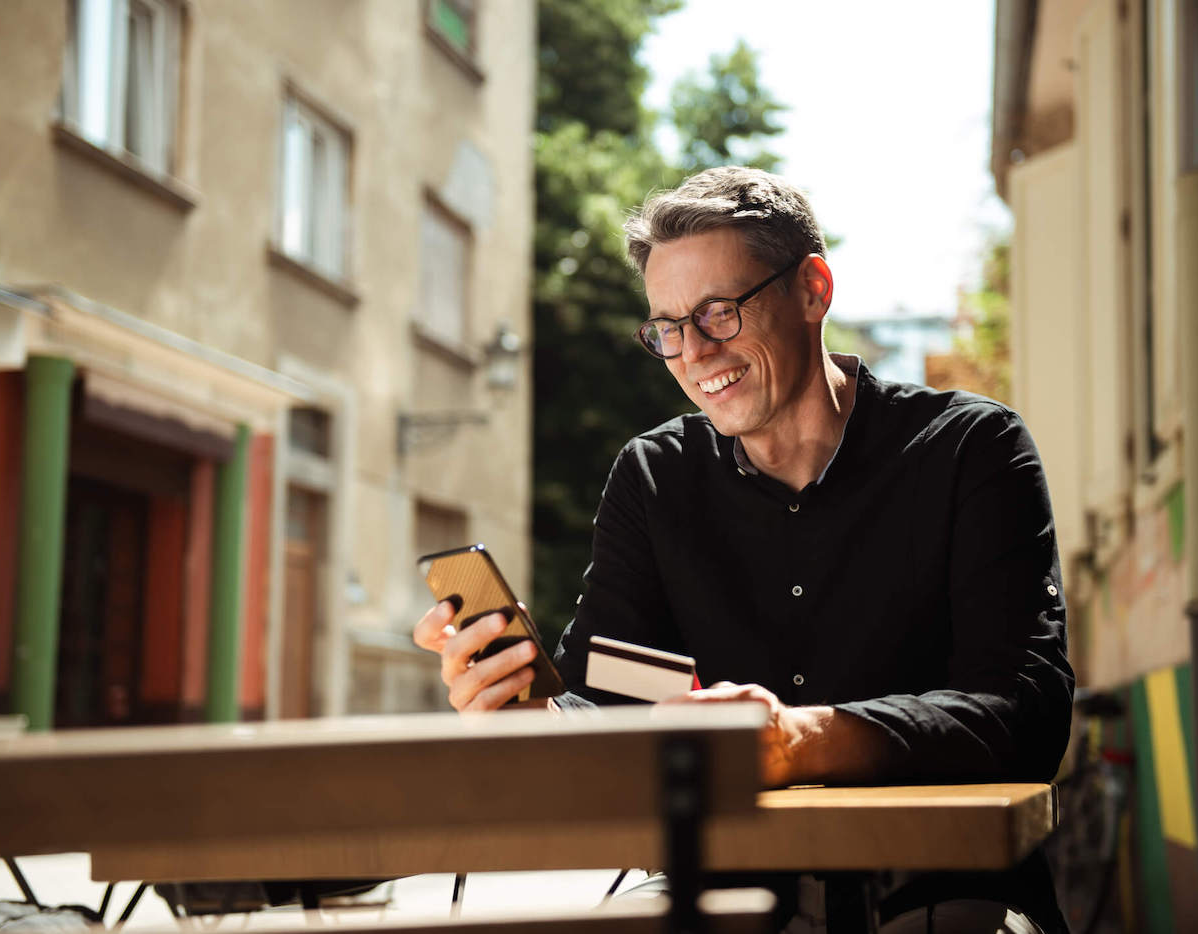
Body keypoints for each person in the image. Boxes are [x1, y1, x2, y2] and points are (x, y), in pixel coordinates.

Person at [414, 166, 1075, 932]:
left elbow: (1023, 716)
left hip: (944, 888)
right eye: (666, 327)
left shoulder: (970, 449)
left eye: (718, 313)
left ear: (812, 290)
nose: (692, 353)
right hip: (728, 891)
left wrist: (799, 739)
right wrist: (529, 714)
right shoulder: (654, 477)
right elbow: (612, 694)